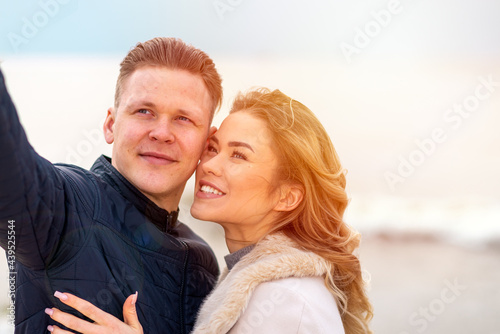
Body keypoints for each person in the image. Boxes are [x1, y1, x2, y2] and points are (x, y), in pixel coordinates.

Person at [45, 88, 374, 333]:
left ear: (287, 197)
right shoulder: (249, 284)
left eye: (238, 155)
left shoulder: (286, 301)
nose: (209, 165)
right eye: (213, 148)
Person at [0, 37, 223, 333]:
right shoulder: (67, 206)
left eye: (183, 118)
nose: (161, 133)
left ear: (207, 144)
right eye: (144, 111)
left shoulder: (204, 264)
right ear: (110, 125)